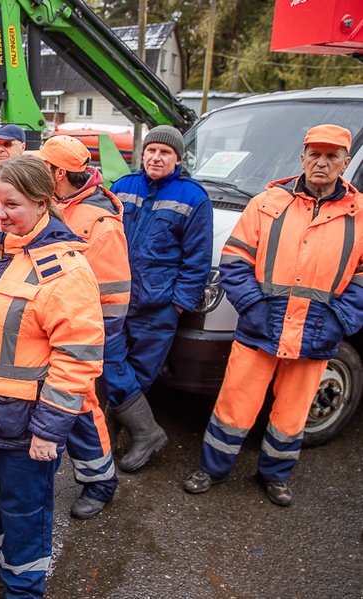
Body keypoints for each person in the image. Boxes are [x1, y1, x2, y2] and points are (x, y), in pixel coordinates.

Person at [0, 155, 104, 597]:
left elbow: (78, 360)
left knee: (25, 511)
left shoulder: (66, 270)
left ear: (43, 202)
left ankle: (24, 587)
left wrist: (49, 431)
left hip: (22, 426)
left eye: (11, 205)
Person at [184, 124, 363, 506]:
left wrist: (340, 321)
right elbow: (234, 259)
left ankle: (275, 476)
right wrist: (253, 304)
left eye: (332, 156)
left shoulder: (359, 214)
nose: (321, 162)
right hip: (260, 326)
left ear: (345, 163)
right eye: (314, 154)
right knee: (234, 406)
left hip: (315, 333)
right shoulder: (267, 203)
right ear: (302, 158)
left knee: (291, 415)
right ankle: (212, 470)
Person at [106, 125, 213, 472]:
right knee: (110, 363)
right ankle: (147, 432)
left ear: (178, 159)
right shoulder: (122, 187)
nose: (156, 157)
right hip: (119, 299)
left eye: (164, 152)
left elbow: (197, 259)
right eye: (151, 150)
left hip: (159, 307)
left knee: (141, 373)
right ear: (143, 153)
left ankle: (117, 433)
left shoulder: (193, 197)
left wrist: (177, 303)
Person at [40, 135, 130, 519]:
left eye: (43, 166)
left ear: (59, 173)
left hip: (75, 338)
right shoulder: (56, 206)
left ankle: (100, 482)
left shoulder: (100, 225)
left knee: (79, 408)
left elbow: (113, 299)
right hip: (44, 330)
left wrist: (88, 349)